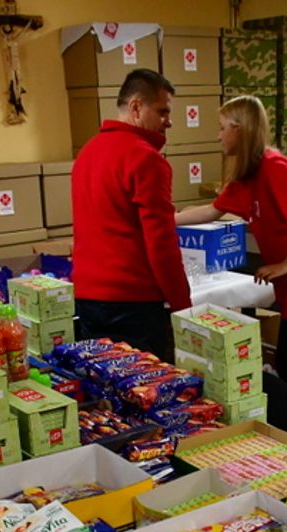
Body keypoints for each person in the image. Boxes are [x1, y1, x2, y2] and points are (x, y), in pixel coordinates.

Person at [174, 96, 287, 389]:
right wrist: (164, 219)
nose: (218, 135)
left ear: (240, 129)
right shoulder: (244, 175)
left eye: (222, 128)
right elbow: (213, 210)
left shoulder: (273, 166)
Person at [71, 68, 191, 359]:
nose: (169, 122)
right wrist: (183, 306)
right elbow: (161, 242)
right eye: (162, 112)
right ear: (137, 107)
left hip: (87, 297)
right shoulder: (146, 159)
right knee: (143, 391)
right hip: (132, 303)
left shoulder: (87, 153)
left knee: (103, 392)